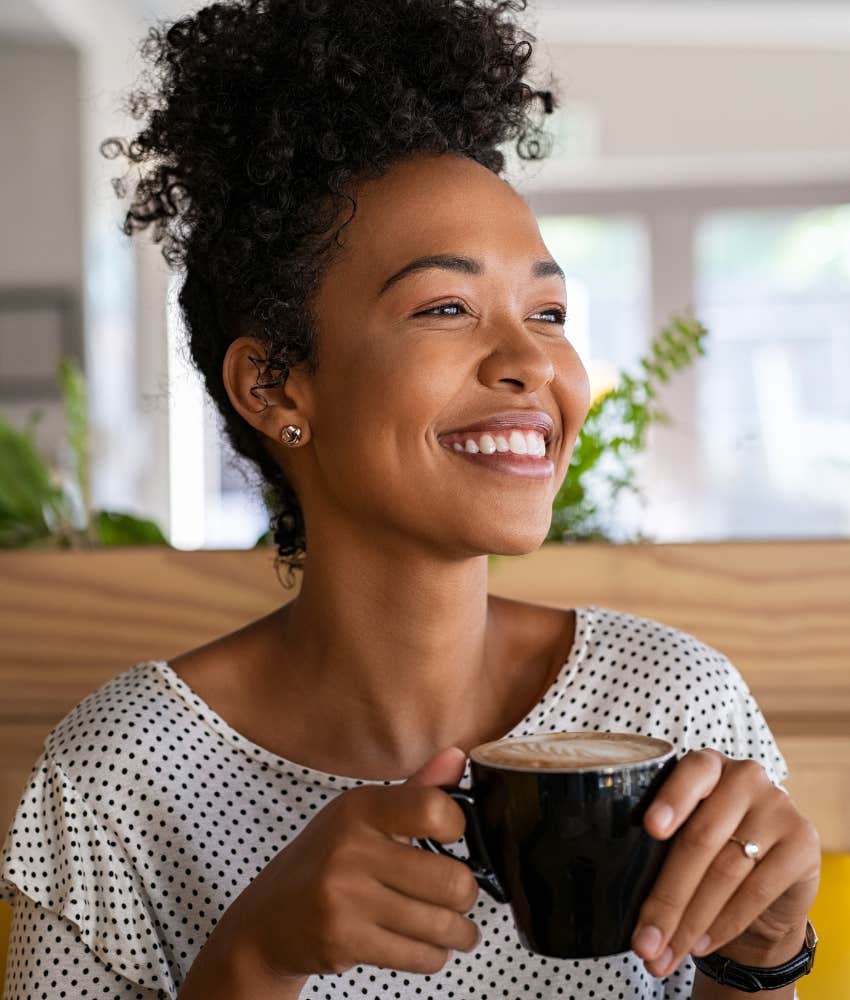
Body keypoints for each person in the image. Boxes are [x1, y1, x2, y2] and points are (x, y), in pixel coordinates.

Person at [0, 1, 821, 998]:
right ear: (273, 386)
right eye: (445, 307)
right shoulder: (117, 774)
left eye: (548, 313)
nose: (532, 362)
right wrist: (255, 955)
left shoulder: (673, 705)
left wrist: (767, 955)